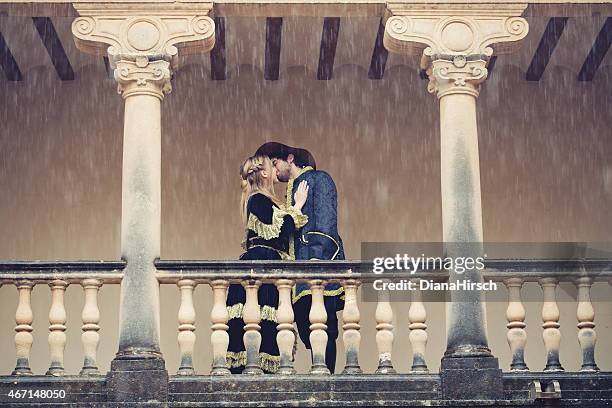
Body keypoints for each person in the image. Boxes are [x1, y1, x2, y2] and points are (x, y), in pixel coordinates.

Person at [255, 142, 345, 374]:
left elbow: (326, 224)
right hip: (297, 280)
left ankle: (327, 379)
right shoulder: (290, 191)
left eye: (275, 163)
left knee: (324, 329)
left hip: (317, 271)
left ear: (290, 158)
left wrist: (314, 263)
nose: (275, 171)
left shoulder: (319, 179)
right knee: (307, 331)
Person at [227, 154, 309, 374]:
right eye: (272, 165)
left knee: (270, 320)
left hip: (267, 266)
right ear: (264, 173)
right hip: (263, 266)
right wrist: (298, 206)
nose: (276, 168)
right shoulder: (257, 199)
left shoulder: (264, 200)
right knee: (263, 320)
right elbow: (280, 231)